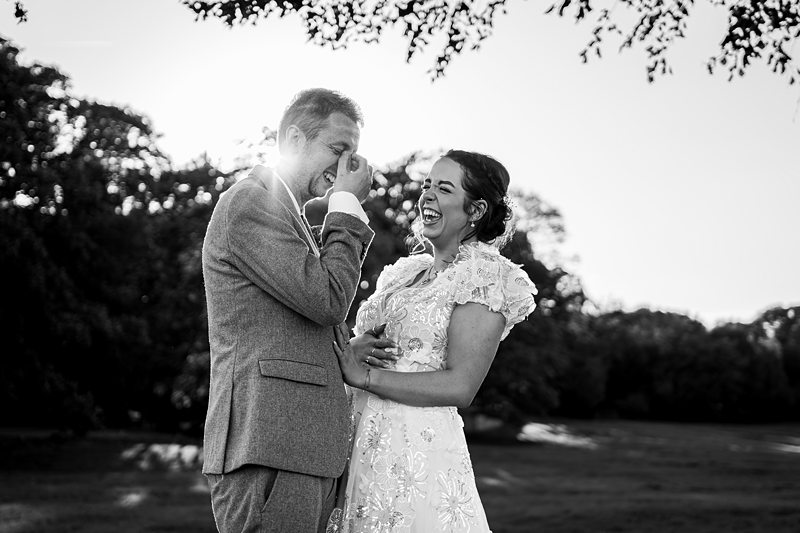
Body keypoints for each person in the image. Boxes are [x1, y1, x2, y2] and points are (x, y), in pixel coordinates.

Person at [201, 88, 395, 533]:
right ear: (292, 139)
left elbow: (296, 317)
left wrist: (344, 350)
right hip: (271, 448)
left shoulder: (288, 214)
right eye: (338, 148)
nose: (347, 166)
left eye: (354, 154)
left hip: (295, 448)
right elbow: (326, 298)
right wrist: (346, 206)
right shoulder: (252, 202)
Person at [329, 150, 538, 532]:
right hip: (356, 439)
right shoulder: (404, 273)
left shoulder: (485, 276)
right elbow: (372, 347)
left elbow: (460, 385)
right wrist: (356, 347)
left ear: (474, 211)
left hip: (415, 450)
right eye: (427, 185)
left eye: (443, 189)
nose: (427, 195)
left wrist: (366, 379)